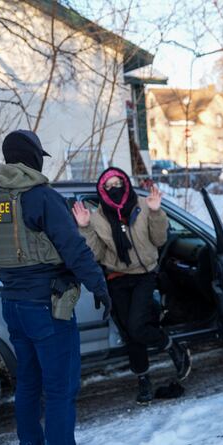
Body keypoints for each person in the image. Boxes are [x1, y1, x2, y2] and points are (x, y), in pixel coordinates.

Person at [0, 130, 110, 445]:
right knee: (61, 389)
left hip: (13, 305)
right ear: (32, 157)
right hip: (48, 306)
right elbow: (74, 249)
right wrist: (99, 285)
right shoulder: (42, 197)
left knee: (28, 384)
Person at [72, 167, 192, 405]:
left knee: (138, 326)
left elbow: (159, 240)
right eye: (108, 186)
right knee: (130, 334)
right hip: (117, 278)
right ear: (102, 191)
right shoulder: (98, 218)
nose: (114, 189)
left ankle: (172, 346)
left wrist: (157, 212)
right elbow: (95, 254)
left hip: (144, 275)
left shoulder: (144, 206)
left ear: (125, 183)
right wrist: (85, 228)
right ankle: (144, 379)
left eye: (118, 183)